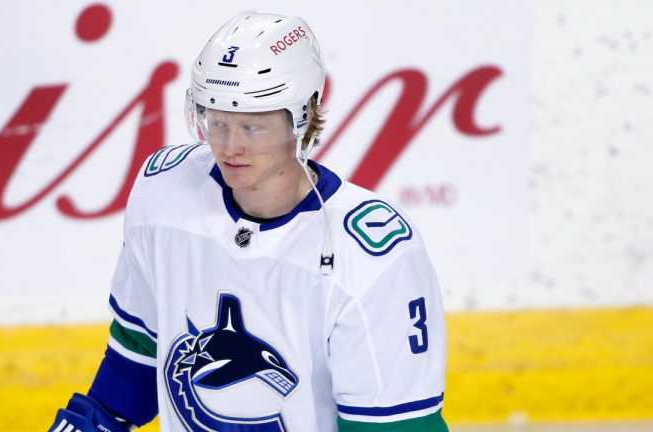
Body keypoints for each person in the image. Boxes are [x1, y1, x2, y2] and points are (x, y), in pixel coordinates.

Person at [49, 10, 448, 432]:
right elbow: (133, 367)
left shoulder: (372, 257)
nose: (230, 147)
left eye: (253, 127)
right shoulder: (164, 196)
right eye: (217, 122)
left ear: (304, 117)